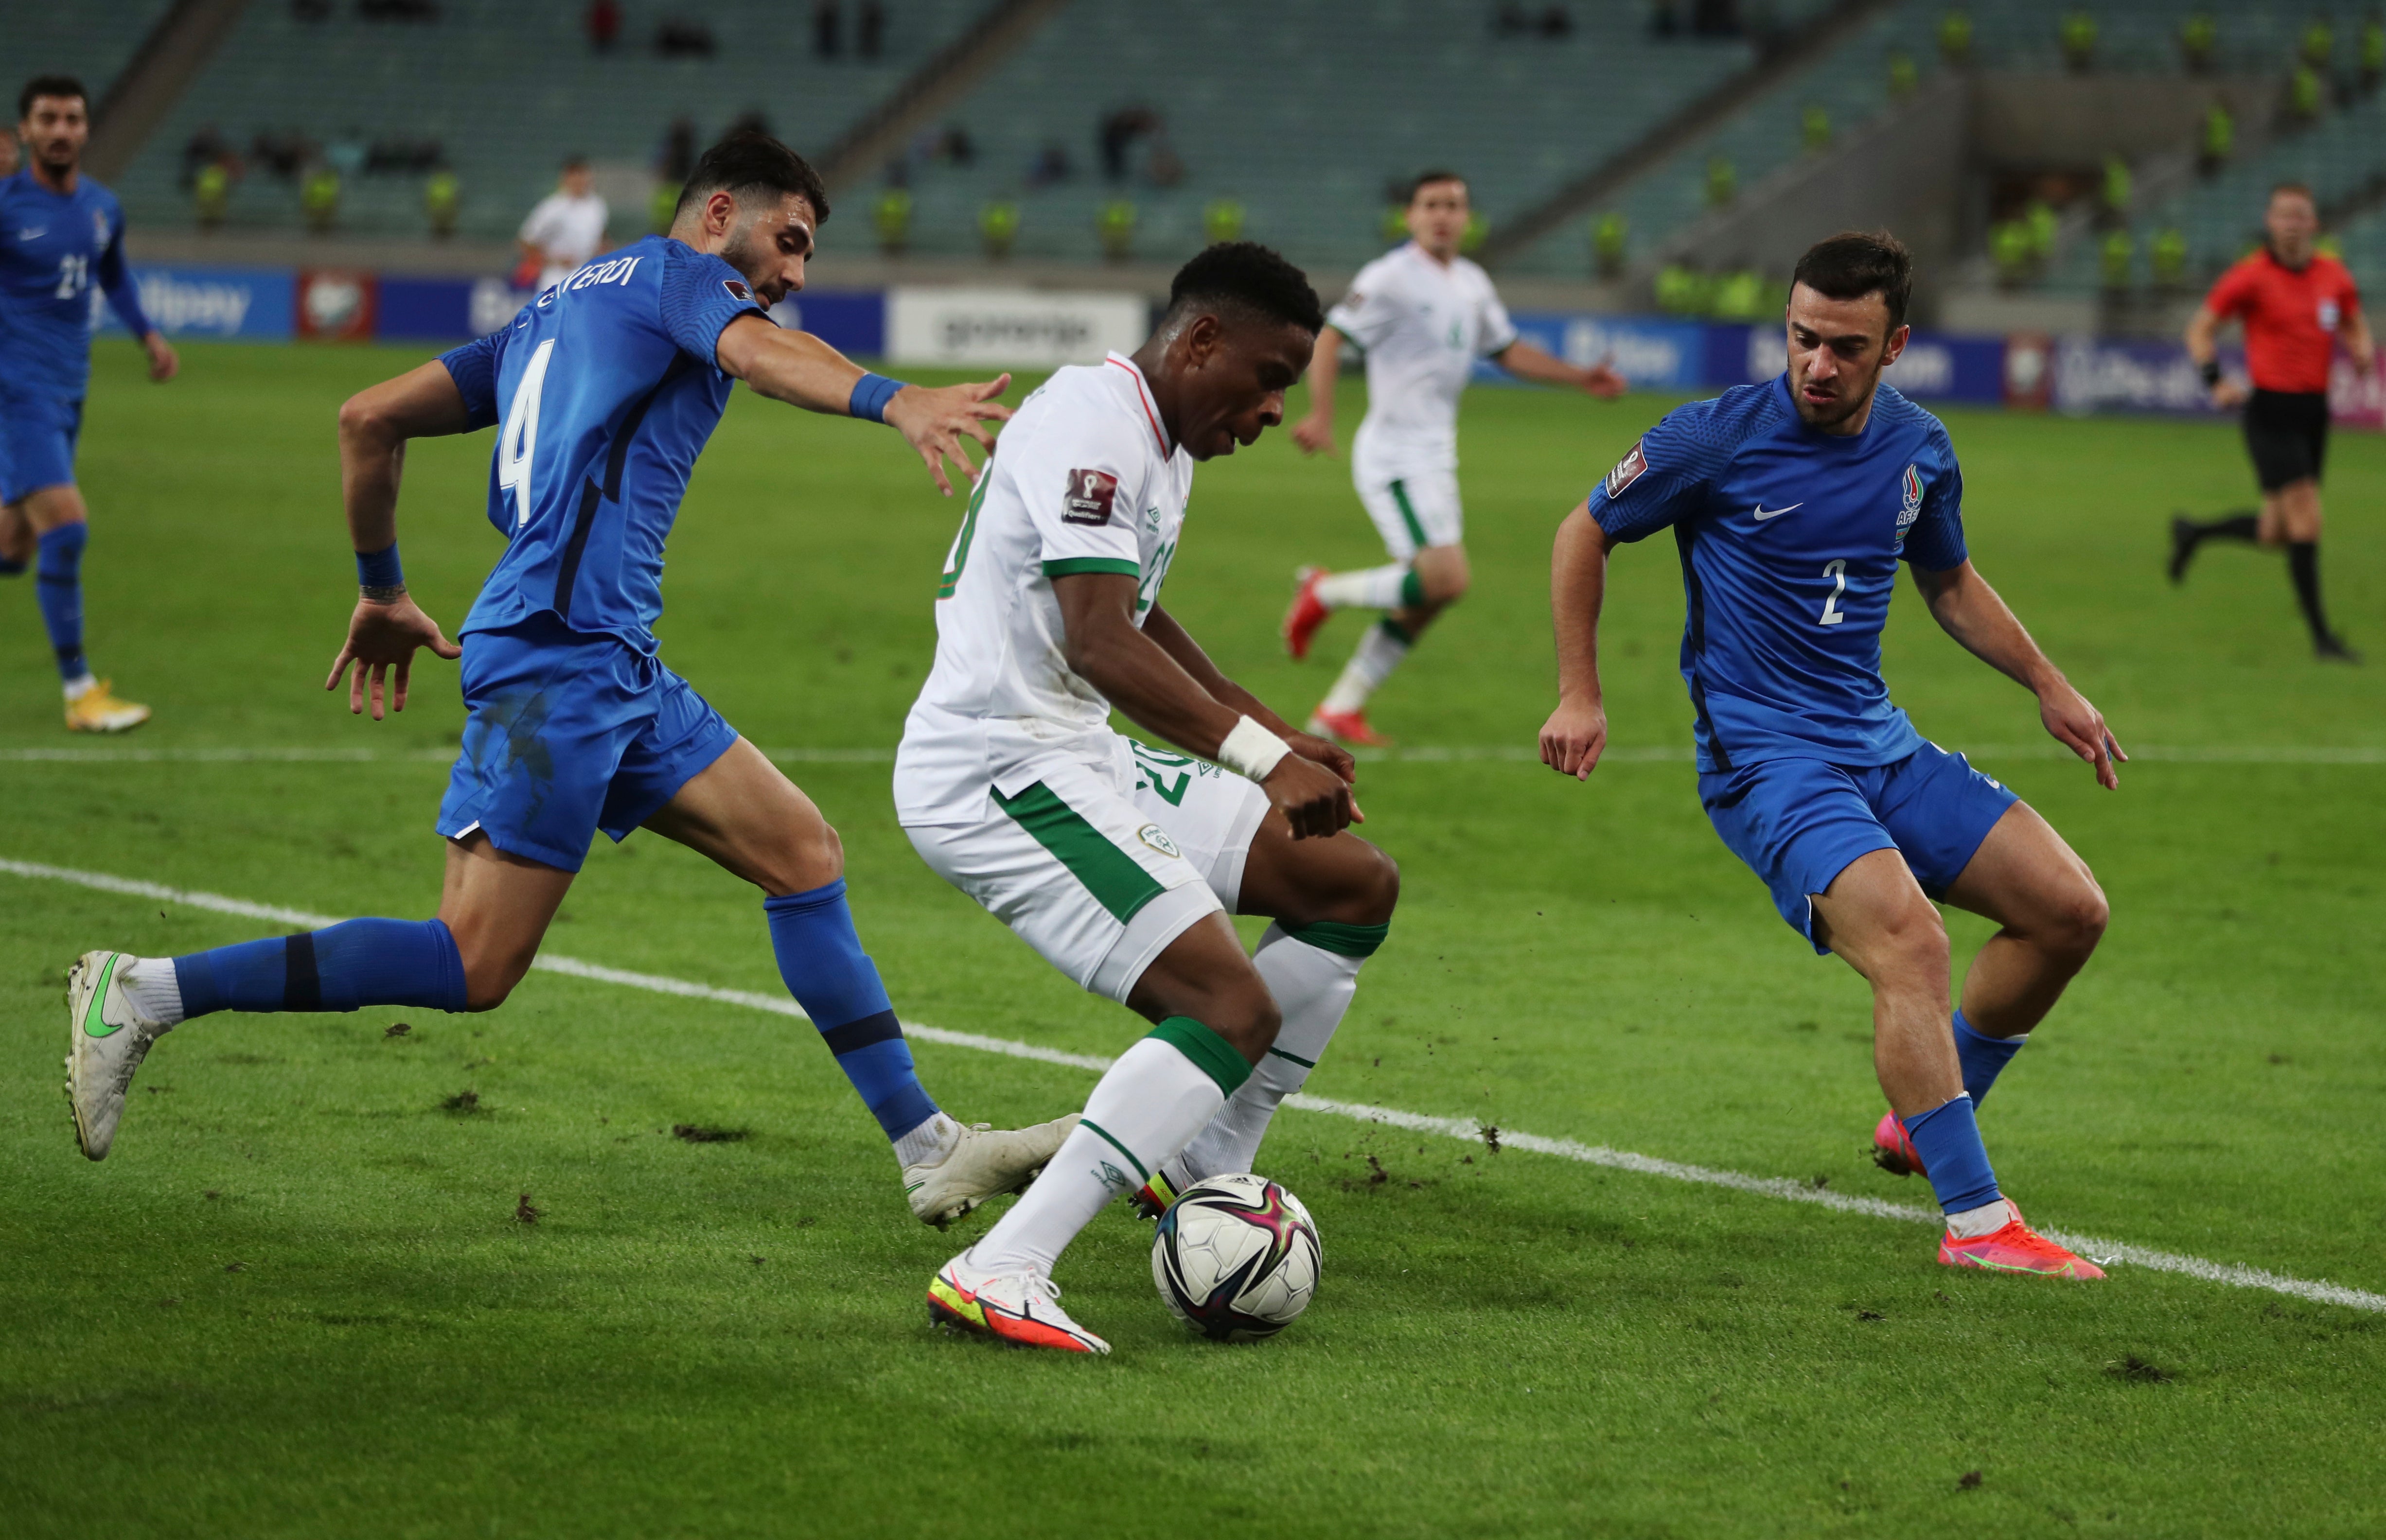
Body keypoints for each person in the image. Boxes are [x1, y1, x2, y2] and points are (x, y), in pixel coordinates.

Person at [63, 132, 1076, 1232]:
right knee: (474, 959)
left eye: (805, 258)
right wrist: (894, 402)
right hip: (562, 654)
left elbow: (369, 417)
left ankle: (930, 1148)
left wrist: (383, 589)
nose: (792, 271)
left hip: (603, 654)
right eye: (788, 241)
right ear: (719, 210)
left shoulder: (559, 306)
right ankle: (147, 990)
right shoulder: (685, 280)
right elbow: (760, 355)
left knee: (801, 850)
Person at [1540, 231, 2118, 1280]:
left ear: (1892, 345)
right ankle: (1977, 1227)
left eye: (1844, 347)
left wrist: (2046, 684)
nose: (1816, 364)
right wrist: (1581, 692)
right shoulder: (1709, 440)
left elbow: (1945, 582)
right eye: (1802, 338)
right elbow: (1582, 531)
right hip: (1767, 762)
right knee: (1910, 942)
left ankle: (1921, 1118)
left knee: (2067, 910)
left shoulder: (1917, 448)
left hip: (1876, 743)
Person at [899, 244, 1399, 1354]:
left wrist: (1272, 732)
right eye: (1269, 377)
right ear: (1200, 339)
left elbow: (1142, 616)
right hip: (997, 769)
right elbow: (1100, 640)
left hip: (1075, 750)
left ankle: (1201, 1160)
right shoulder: (1097, 420)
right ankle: (1005, 1264)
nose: (1274, 409)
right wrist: (1267, 764)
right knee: (1231, 1007)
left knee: (1348, 884)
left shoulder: (1157, 445)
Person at [1282, 171, 1625, 746]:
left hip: (1437, 455)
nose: (1443, 215)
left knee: (1432, 593)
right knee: (1444, 578)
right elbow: (1331, 336)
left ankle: (1339, 709)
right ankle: (1322, 592)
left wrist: (1578, 376)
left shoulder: (1470, 282)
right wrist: (1319, 414)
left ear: (1467, 218)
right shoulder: (1389, 277)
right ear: (1410, 216)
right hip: (1393, 453)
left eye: (1454, 205)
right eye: (1431, 205)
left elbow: (1506, 349)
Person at [0, 75, 176, 733]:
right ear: (25, 131)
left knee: (14, 548)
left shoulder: (102, 206)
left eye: (72, 118)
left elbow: (113, 273)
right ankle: (79, 691)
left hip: (70, 390)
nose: (60, 130)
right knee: (67, 529)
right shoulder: (5, 204)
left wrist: (149, 334)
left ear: (86, 130)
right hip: (18, 392)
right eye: (46, 118)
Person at [2171, 182, 2371, 661]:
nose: (2291, 224)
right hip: (2269, 412)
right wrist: (2215, 381)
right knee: (2307, 518)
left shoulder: (2332, 276)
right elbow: (2199, 328)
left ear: (2313, 224)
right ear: (2269, 221)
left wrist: (2360, 348)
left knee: (2275, 533)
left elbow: (2352, 319)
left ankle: (2193, 533)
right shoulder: (2249, 277)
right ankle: (2322, 640)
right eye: (2283, 215)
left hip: (2313, 413)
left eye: (2299, 216)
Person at [516, 156, 608, 292]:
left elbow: (600, 238)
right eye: (574, 175)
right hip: (557, 277)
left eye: (582, 174)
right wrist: (554, 261)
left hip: (587, 276)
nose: (579, 180)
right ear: (565, 178)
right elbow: (526, 241)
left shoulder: (597, 206)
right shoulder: (552, 207)